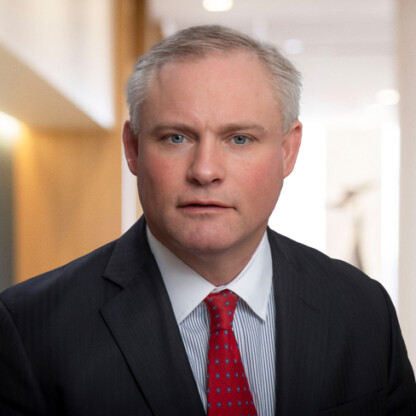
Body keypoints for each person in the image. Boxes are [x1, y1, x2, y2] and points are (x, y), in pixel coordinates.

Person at [0, 25, 415, 416]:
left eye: (239, 139)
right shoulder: (29, 327)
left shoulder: (363, 309)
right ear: (133, 148)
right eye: (176, 138)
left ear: (288, 151)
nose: (205, 170)